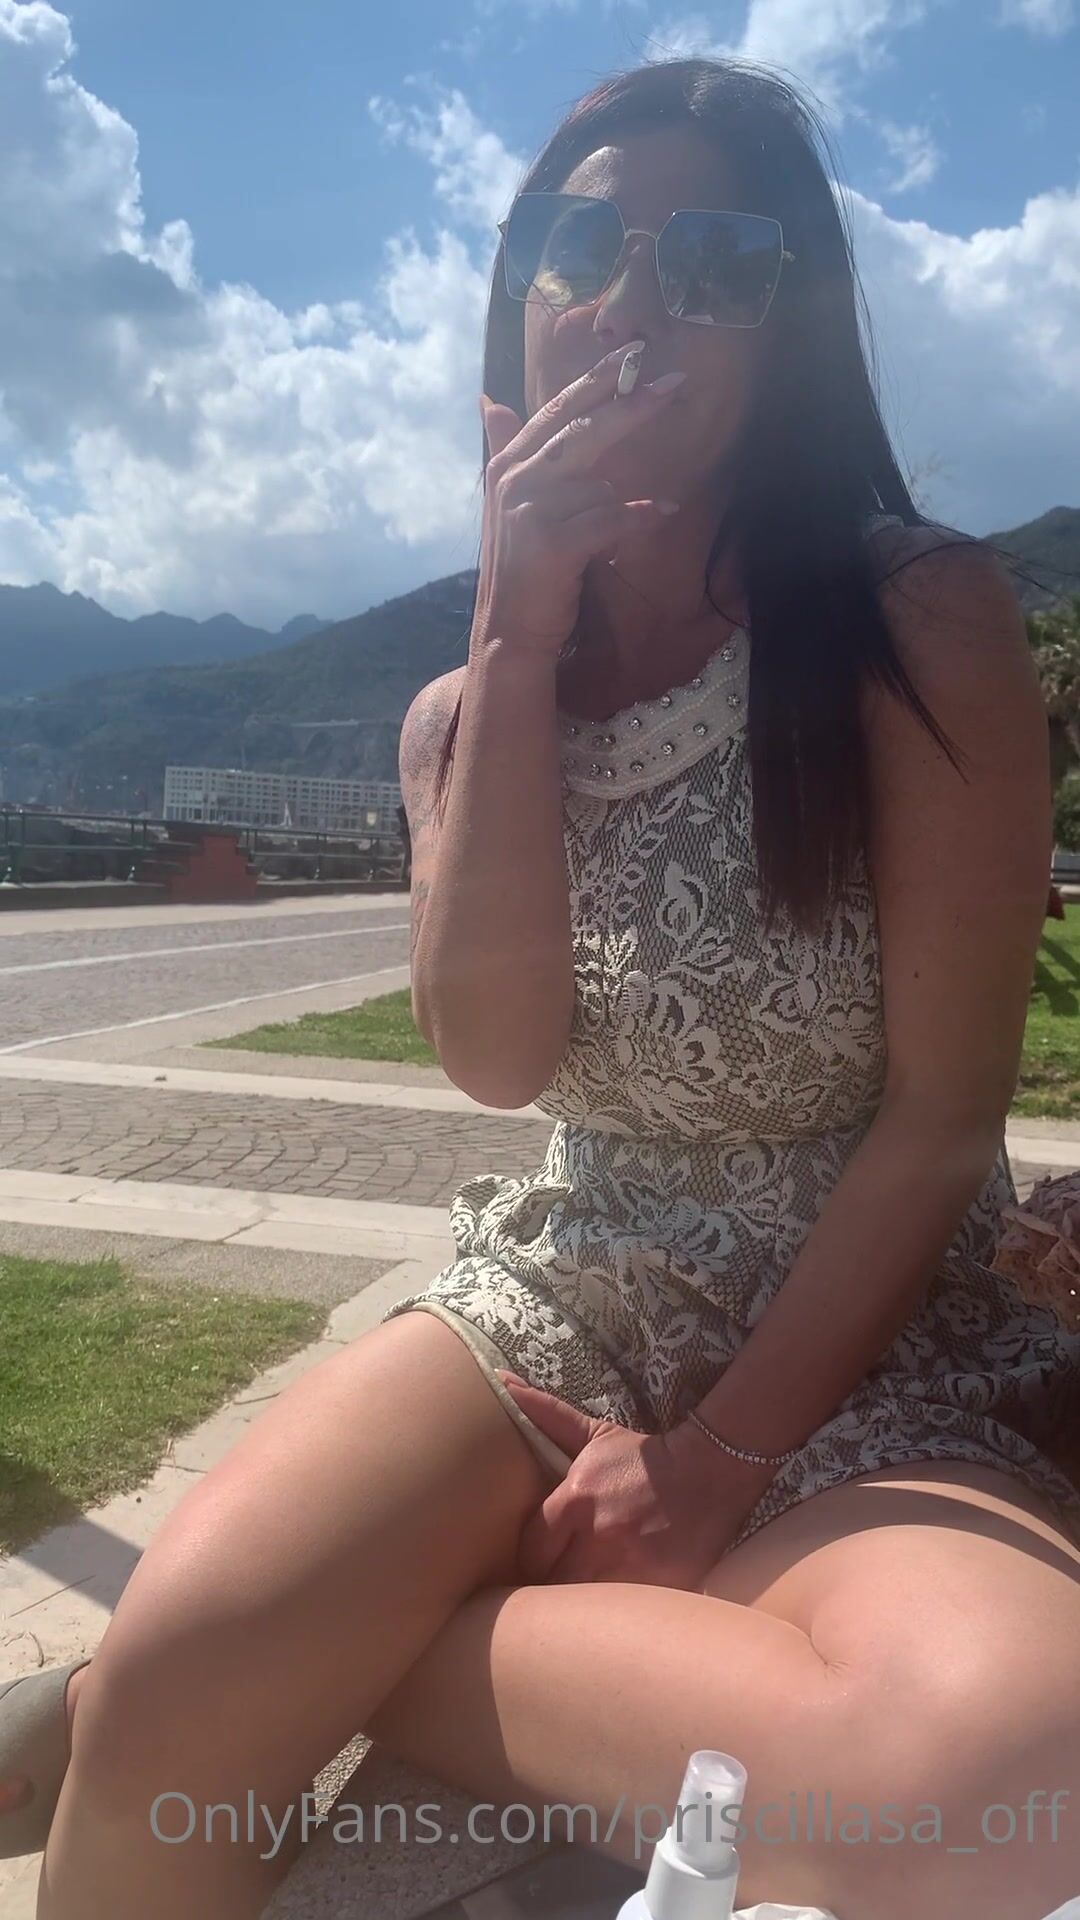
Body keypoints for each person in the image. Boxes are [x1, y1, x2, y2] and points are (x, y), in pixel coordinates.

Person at [3, 56, 1078, 1920]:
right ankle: (234, 1658)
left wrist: (715, 1463)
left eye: (716, 259)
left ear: (789, 327)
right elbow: (500, 1061)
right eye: (580, 244)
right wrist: (513, 629)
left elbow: (938, 1121)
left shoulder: (915, 620)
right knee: (189, 1667)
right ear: (520, 297)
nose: (633, 295)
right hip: (571, 1291)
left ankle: (348, 1644)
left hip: (882, 1322)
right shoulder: (459, 715)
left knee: (994, 1781)